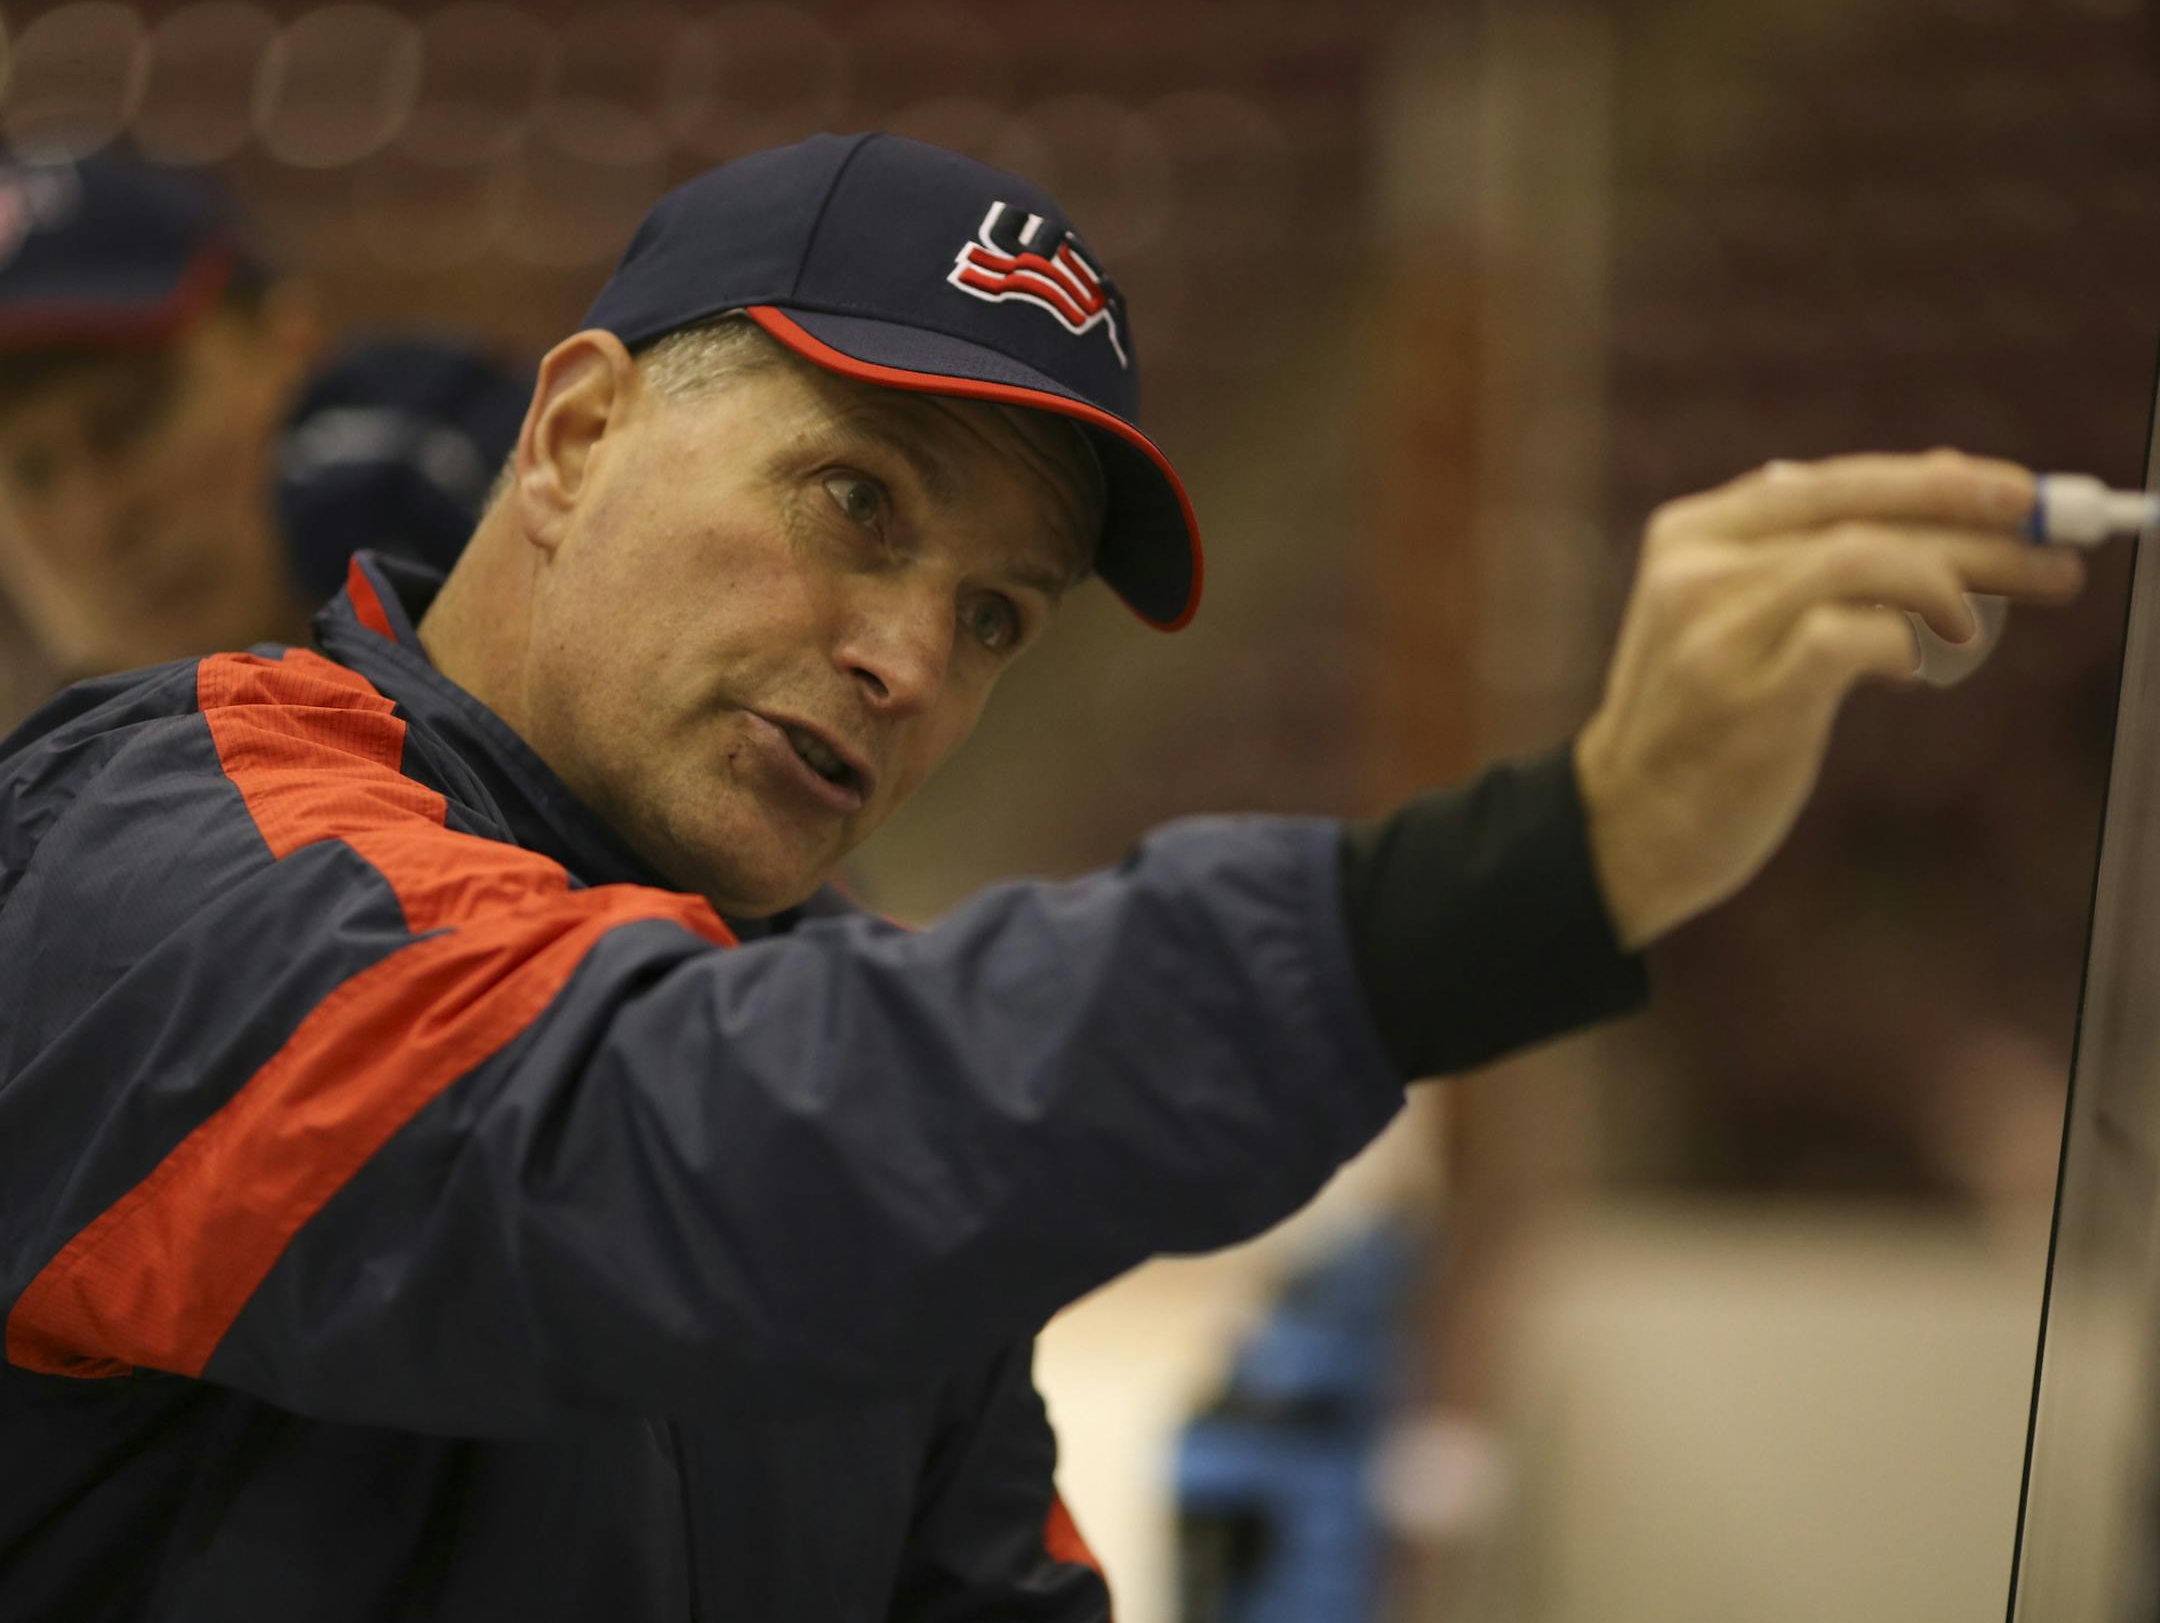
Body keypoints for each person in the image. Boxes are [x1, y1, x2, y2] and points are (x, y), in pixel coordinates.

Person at [0, 133, 2084, 1620]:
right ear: (570, 438)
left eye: (998, 615)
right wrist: (1543, 867)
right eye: (851, 501)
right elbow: (648, 1143)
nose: (910, 657)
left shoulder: (839, 1069)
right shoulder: (158, 853)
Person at [0, 154, 525, 721]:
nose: (99, 517)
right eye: (31, 470)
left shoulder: (493, 498)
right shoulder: (33, 795)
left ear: (287, 347)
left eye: (129, 419)